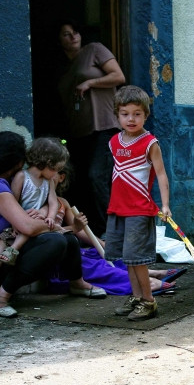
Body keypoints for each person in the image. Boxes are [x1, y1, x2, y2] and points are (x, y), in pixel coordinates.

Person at [0, 131, 106, 318]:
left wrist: (55, 223)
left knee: (68, 240)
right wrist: (54, 224)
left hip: (3, 251)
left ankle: (77, 283)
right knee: (56, 242)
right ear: (17, 162)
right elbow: (27, 227)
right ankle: (0, 298)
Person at [47, 163, 185, 297]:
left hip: (76, 251)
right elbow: (48, 233)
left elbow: (80, 232)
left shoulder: (62, 203)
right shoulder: (39, 205)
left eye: (53, 171)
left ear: (61, 177)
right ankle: (141, 283)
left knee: (105, 254)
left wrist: (102, 244)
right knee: (94, 266)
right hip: (63, 256)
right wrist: (72, 227)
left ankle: (150, 273)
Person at [105, 85, 171, 321]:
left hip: (139, 209)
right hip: (118, 209)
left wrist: (165, 205)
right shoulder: (113, 142)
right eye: (125, 114)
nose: (131, 119)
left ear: (146, 115)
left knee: (138, 260)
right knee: (127, 259)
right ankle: (136, 297)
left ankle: (149, 302)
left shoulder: (150, 143)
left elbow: (161, 174)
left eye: (137, 113)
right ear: (117, 115)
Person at [57, 19, 126, 234]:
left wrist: (90, 83)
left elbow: (118, 76)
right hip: (78, 132)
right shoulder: (64, 68)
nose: (73, 36)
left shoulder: (94, 50)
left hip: (103, 126)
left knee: (96, 175)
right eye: (66, 34)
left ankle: (110, 231)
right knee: (77, 181)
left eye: (75, 32)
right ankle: (90, 232)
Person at [0, 137, 69, 299]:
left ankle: (13, 250)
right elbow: (12, 200)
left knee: (31, 231)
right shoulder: (22, 176)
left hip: (32, 222)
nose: (57, 173)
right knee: (3, 241)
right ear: (48, 163)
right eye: (56, 168)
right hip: (19, 220)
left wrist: (50, 217)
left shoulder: (48, 182)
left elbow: (53, 202)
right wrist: (16, 221)